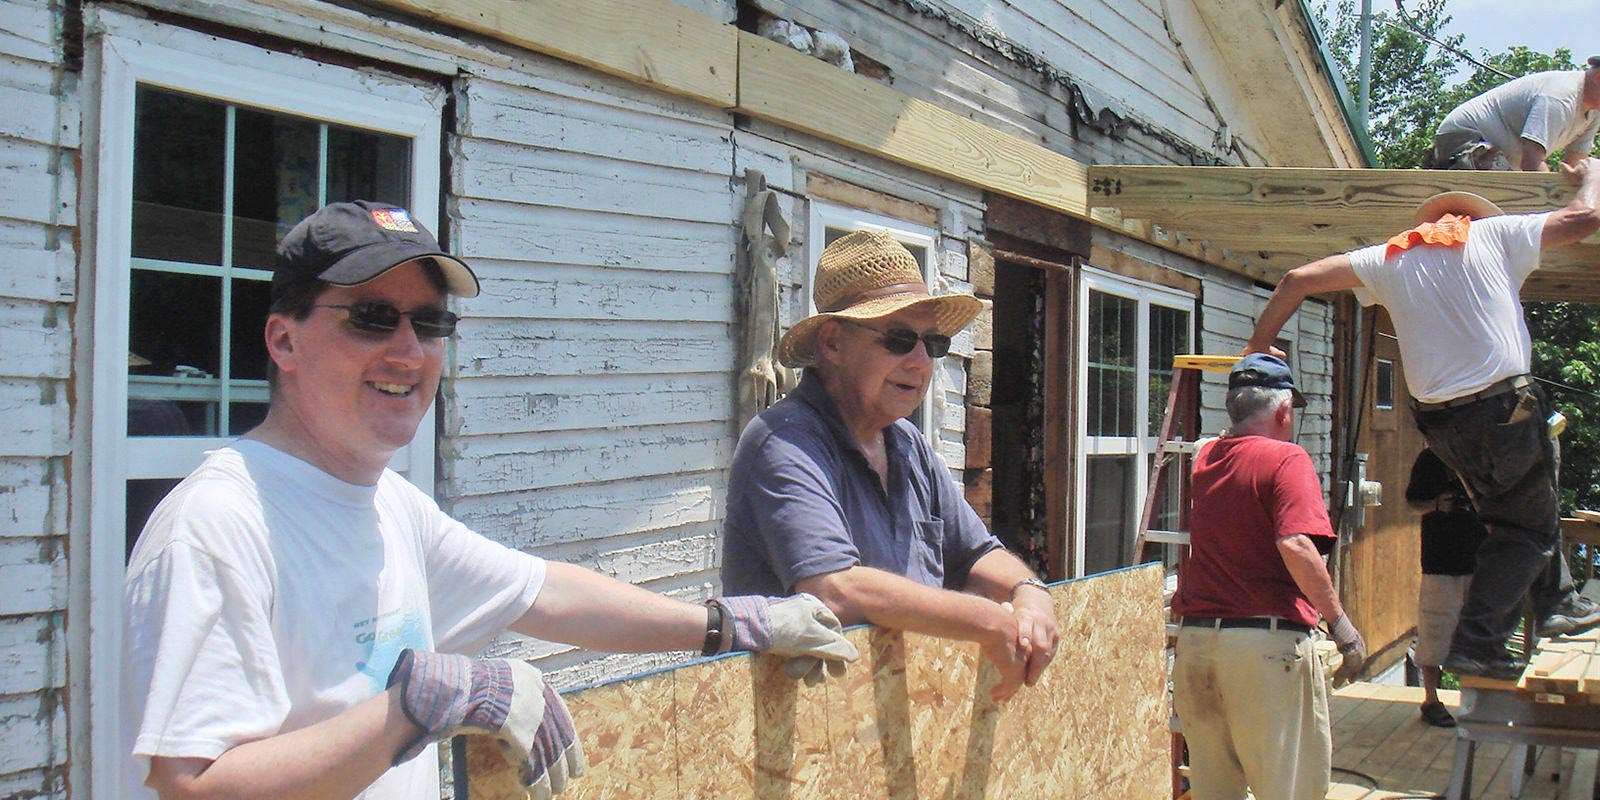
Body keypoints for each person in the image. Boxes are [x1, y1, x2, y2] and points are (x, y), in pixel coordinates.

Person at [122, 201, 859, 800]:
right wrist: (409, 711)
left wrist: (729, 623)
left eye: (431, 323)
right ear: (284, 340)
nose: (409, 351)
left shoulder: (388, 507)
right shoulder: (219, 523)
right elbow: (194, 787)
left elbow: (543, 593)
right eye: (372, 318)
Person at [1244, 158, 1600, 680]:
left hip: (1440, 424)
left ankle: (1555, 605)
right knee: (1527, 527)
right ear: (1473, 219)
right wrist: (1591, 173)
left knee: (1514, 520)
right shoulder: (1493, 235)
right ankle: (1482, 641)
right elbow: (1585, 218)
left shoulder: (1392, 256)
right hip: (1502, 408)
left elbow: (1297, 279)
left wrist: (1258, 347)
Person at [720, 230, 1059, 701]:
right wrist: (988, 620)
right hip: (796, 738)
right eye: (899, 339)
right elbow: (834, 590)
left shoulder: (907, 444)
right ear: (833, 343)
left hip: (886, 723)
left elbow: (977, 554)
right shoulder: (783, 442)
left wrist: (1029, 591)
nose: (921, 362)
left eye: (933, 343)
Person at [1171, 354, 1365, 800]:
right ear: (1283, 411)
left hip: (1198, 647)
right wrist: (1342, 627)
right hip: (1263, 652)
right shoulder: (1286, 459)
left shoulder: (1206, 458)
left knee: (1214, 791)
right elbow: (1295, 544)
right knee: (1289, 790)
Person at [1404, 447, 1487, 728]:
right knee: (1435, 629)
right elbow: (1413, 503)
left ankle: (1474, 701)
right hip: (1440, 561)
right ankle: (1431, 699)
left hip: (1480, 560)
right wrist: (1438, 505)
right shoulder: (1430, 459)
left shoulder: (1483, 458)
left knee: (1478, 633)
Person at [1429, 58, 1600, 171]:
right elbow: (1532, 162)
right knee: (1508, 208)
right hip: (1466, 140)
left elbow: (1575, 165)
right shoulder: (1560, 96)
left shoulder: (1593, 113)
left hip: (1500, 157)